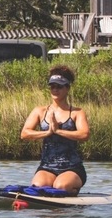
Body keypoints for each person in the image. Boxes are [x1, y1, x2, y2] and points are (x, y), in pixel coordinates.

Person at [20, 65, 89, 195]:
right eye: (52, 86)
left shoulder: (77, 112)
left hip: (72, 168)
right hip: (47, 167)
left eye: (59, 86)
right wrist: (47, 132)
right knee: (39, 187)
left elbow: (84, 134)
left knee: (60, 186)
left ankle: (72, 189)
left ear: (67, 88)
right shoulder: (39, 111)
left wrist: (59, 131)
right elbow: (25, 133)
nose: (55, 90)